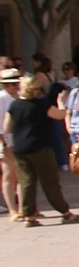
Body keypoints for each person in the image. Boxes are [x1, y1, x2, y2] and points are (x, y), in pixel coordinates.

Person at [4, 75, 78, 227]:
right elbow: (60, 115)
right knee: (50, 180)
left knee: (26, 182)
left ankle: (28, 215)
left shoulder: (15, 105)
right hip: (40, 147)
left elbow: (7, 128)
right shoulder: (41, 104)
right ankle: (65, 212)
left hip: (20, 147)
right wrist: (61, 103)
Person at [0, 67, 21, 219]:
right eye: (13, 84)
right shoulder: (2, 98)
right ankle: (12, 209)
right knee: (9, 174)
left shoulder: (20, 97)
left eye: (17, 82)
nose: (16, 86)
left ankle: (24, 207)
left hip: (21, 140)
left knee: (22, 176)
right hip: (6, 140)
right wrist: (3, 141)